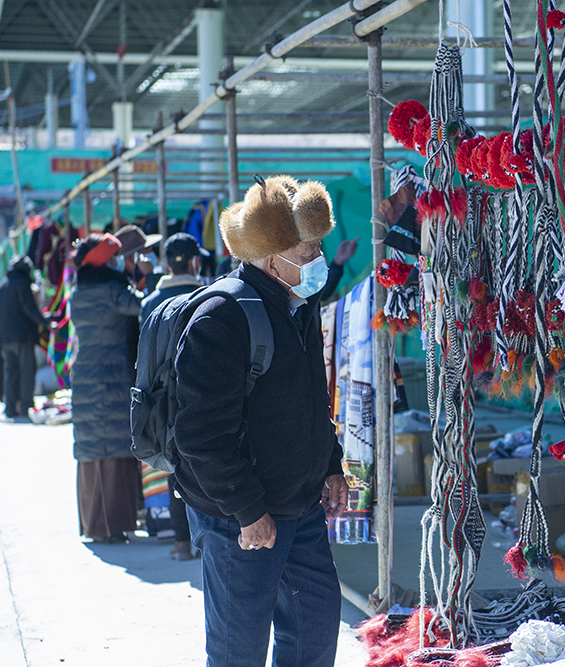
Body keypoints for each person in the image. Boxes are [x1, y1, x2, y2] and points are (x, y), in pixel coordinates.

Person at [172, 175, 348, 666]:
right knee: (239, 652)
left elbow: (312, 399)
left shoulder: (299, 305)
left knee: (314, 635)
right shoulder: (221, 316)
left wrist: (330, 464)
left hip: (301, 508)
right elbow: (200, 435)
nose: (319, 258)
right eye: (310, 249)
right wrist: (248, 510)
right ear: (273, 260)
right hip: (240, 518)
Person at [69, 233, 144, 543]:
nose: (120, 262)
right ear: (105, 262)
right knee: (113, 449)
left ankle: (95, 524)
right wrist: (143, 278)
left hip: (86, 374)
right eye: (115, 257)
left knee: (92, 451)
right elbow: (143, 307)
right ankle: (112, 525)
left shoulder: (78, 293)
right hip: (111, 377)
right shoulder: (112, 291)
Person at [140, 232, 209, 561]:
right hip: (203, 392)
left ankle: (182, 541)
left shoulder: (149, 303)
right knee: (206, 463)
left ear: (167, 264)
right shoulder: (209, 297)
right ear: (195, 262)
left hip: (162, 399)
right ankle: (205, 539)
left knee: (173, 465)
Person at [0, 256, 47, 419]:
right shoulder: (22, 284)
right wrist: (45, 323)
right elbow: (29, 308)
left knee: (10, 372)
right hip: (22, 336)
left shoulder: (0, 287)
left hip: (4, 340)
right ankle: (25, 407)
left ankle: (10, 408)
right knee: (27, 371)